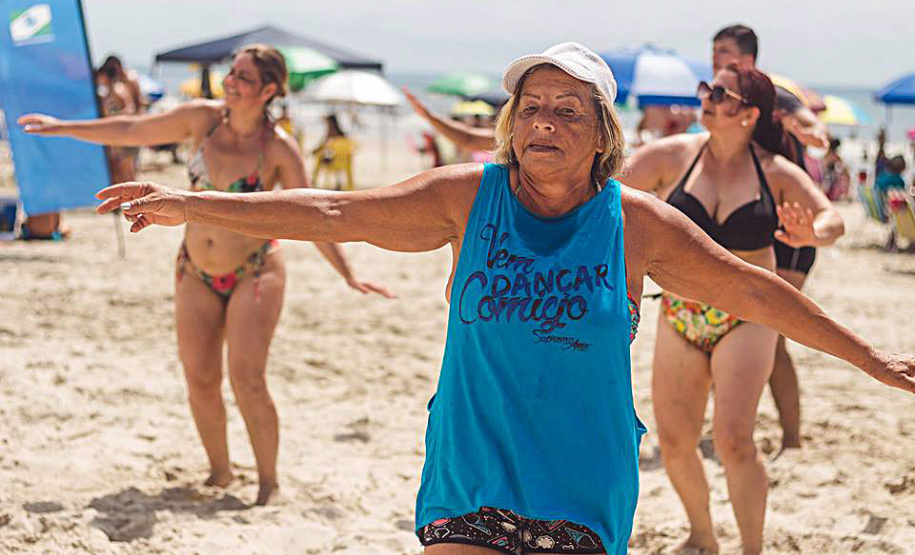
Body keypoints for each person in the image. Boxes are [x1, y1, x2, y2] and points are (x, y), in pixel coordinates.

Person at [94, 43, 914, 555]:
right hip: (470, 465)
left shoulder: (634, 223)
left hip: (581, 481)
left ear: (601, 136)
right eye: (531, 108)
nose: (543, 122)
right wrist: (192, 203)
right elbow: (336, 211)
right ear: (510, 123)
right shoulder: (466, 197)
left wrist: (870, 357)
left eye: (566, 109)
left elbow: (754, 291)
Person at [19, 43, 392, 506]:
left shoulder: (277, 148)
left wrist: (347, 273)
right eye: (231, 72)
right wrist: (66, 128)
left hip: (256, 271)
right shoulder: (202, 120)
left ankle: (268, 482)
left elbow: (315, 215)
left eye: (243, 77)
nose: (230, 81)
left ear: (270, 90)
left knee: (247, 379)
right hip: (194, 269)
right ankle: (219, 472)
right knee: (199, 378)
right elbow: (134, 128)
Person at [624, 66, 845, 554]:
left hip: (747, 317)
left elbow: (832, 219)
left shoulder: (775, 172)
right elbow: (601, 194)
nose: (705, 97)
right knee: (676, 442)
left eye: (719, 92)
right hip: (681, 313)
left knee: (735, 442)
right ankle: (703, 534)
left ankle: (752, 548)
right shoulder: (673, 156)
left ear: (747, 114)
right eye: (706, 87)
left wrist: (814, 233)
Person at [711, 23, 832, 451]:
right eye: (713, 53)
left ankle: (792, 438)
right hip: (753, 227)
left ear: (746, 59)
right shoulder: (720, 100)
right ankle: (735, 422)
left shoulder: (774, 96)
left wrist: (812, 132)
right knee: (732, 325)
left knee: (774, 331)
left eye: (724, 53)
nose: (716, 62)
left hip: (790, 231)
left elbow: (802, 118)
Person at [311, 114, 356, 191]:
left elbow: (322, 146)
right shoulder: (344, 135)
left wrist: (314, 151)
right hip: (345, 163)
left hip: (334, 163)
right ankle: (341, 183)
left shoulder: (330, 134)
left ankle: (313, 181)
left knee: (319, 158)